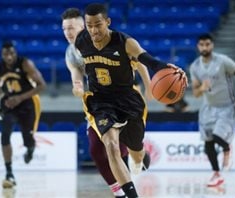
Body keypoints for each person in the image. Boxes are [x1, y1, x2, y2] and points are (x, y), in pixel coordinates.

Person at [74, 3, 187, 198]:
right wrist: (77, 81)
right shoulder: (81, 41)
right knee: (111, 145)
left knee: (136, 152)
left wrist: (168, 70)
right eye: (89, 25)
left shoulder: (124, 42)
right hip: (100, 101)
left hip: (127, 100)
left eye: (98, 25)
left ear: (108, 22)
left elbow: (149, 61)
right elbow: (77, 66)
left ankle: (140, 154)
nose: (93, 30)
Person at [61, 8, 152, 198]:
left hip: (126, 96)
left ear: (83, 26)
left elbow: (140, 59)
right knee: (97, 147)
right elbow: (76, 72)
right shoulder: (71, 52)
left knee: (127, 144)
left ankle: (139, 154)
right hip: (99, 100)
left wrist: (148, 85)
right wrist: (77, 86)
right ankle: (120, 190)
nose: (67, 32)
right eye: (64, 29)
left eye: (71, 27)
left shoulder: (111, 40)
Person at [189, 33, 235, 187]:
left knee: (217, 137)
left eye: (207, 44)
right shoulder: (195, 66)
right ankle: (216, 174)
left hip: (227, 106)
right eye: (202, 44)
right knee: (207, 142)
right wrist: (201, 88)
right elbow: (195, 94)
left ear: (212, 45)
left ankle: (227, 148)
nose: (205, 47)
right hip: (208, 108)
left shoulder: (222, 61)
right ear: (198, 46)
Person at [0, 41, 46, 188]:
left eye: (11, 54)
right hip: (9, 104)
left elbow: (42, 85)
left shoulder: (25, 64)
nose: (9, 57)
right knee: (5, 134)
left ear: (15, 53)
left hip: (27, 103)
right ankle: (9, 172)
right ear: (2, 55)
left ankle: (30, 148)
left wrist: (20, 98)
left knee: (27, 137)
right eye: (5, 54)